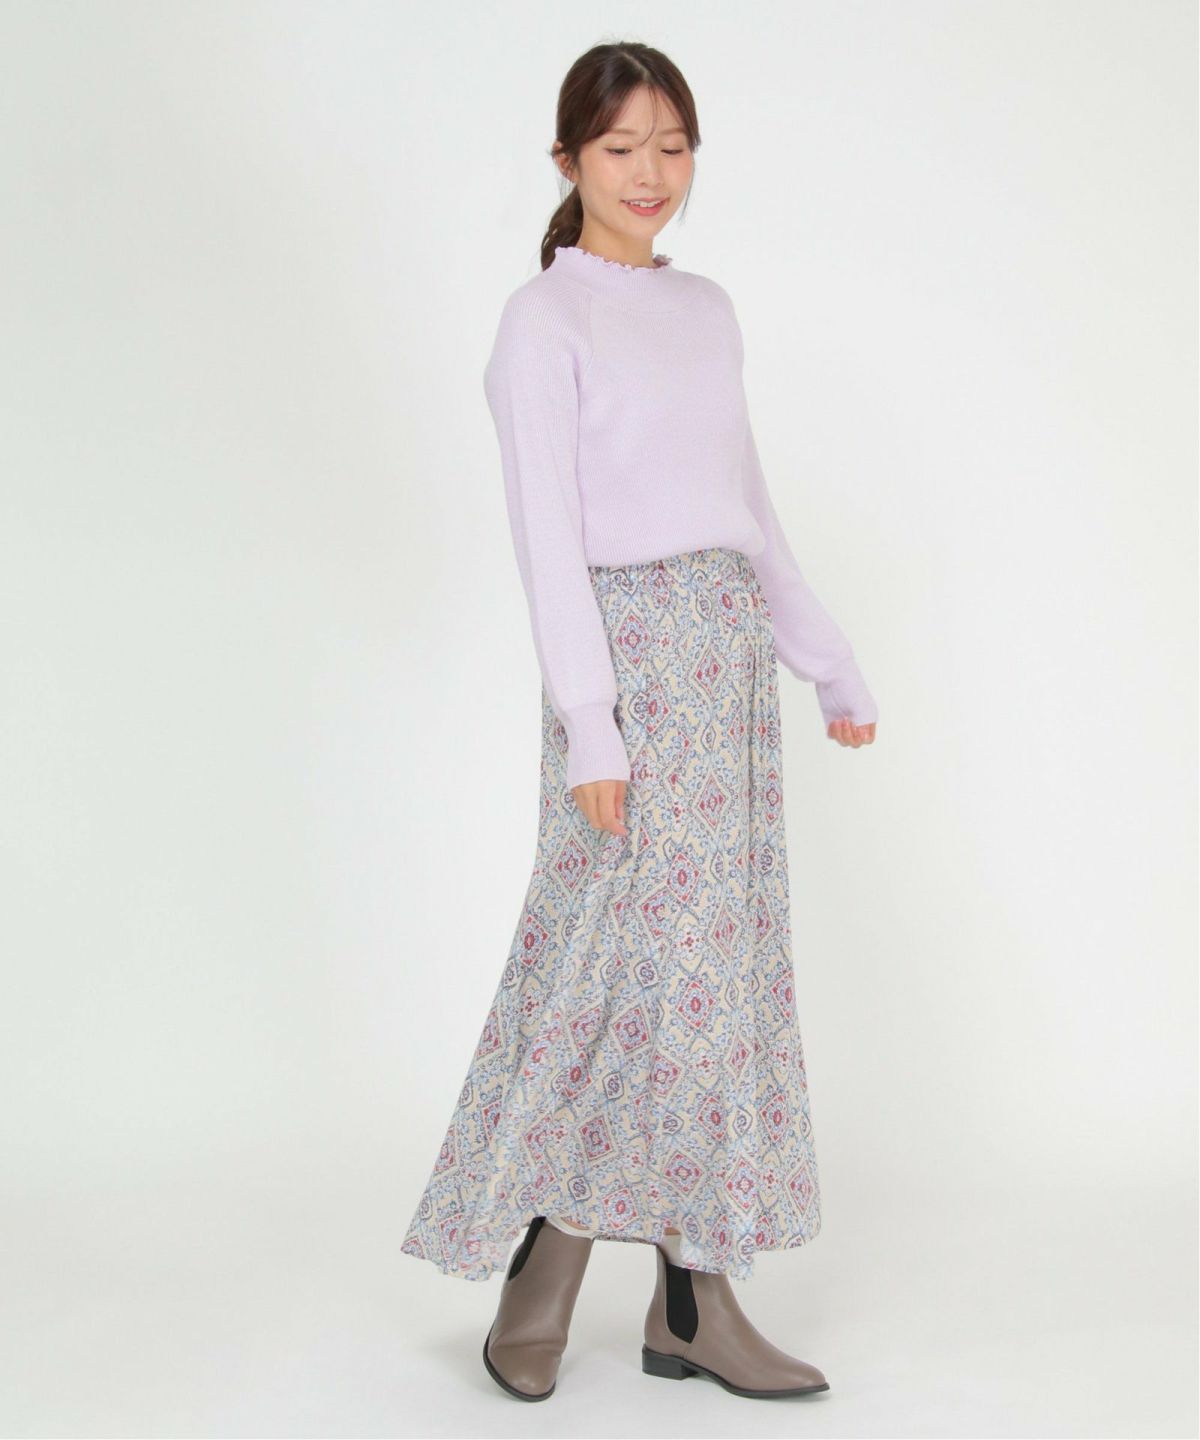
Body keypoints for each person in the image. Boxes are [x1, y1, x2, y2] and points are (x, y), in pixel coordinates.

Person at [402, 40, 878, 1403]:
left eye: (673, 145)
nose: (651, 172)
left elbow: (745, 504)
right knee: (606, 973)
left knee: (710, 983)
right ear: (569, 161)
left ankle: (693, 1301)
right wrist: (591, 722)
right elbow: (547, 537)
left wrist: (825, 660)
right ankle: (546, 1264)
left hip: (724, 666)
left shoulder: (707, 310)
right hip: (626, 664)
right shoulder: (540, 322)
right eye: (621, 148)